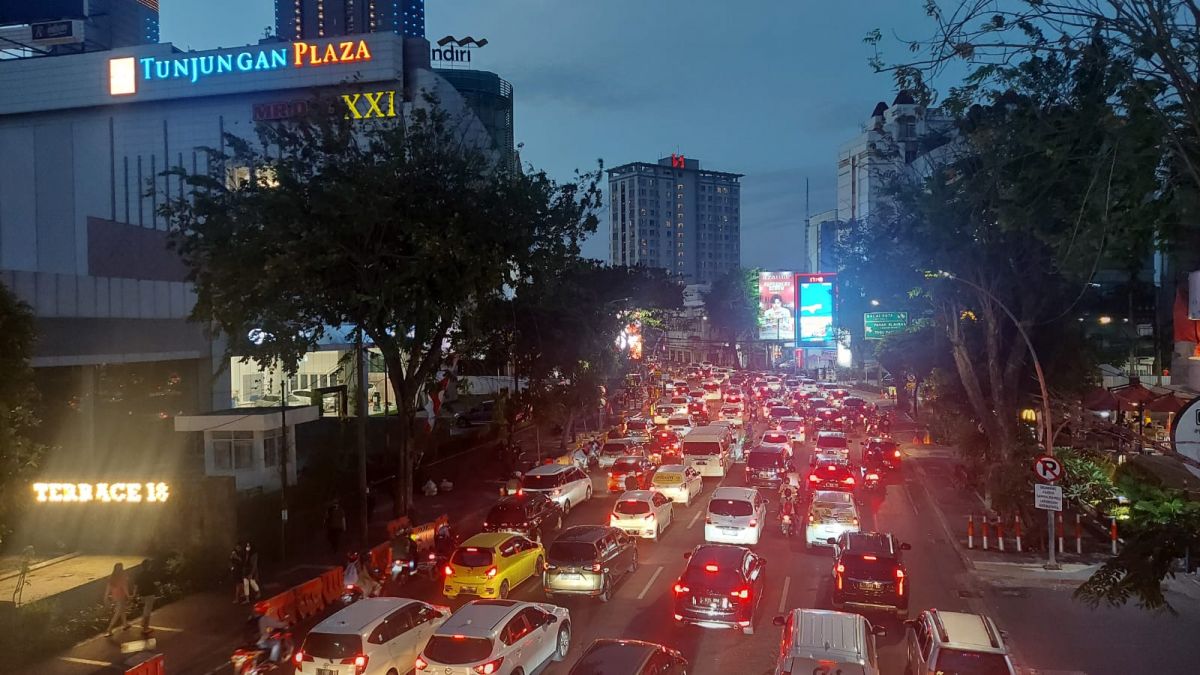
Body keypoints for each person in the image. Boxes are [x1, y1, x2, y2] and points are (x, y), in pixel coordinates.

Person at [104, 562, 132, 637]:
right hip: (121, 595)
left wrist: (106, 596)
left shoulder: (111, 577)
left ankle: (125, 624)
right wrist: (128, 596)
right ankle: (109, 628)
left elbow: (108, 588)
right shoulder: (122, 576)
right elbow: (124, 587)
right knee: (118, 612)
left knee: (122, 610)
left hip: (115, 596)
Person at [135, 557, 160, 636]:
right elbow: (156, 583)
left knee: (145, 609)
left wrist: (134, 595)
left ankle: (143, 624)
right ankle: (145, 628)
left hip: (142, 594)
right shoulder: (151, 574)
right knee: (147, 611)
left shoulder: (139, 575)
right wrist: (158, 584)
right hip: (149, 594)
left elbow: (135, 586)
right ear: (149, 566)